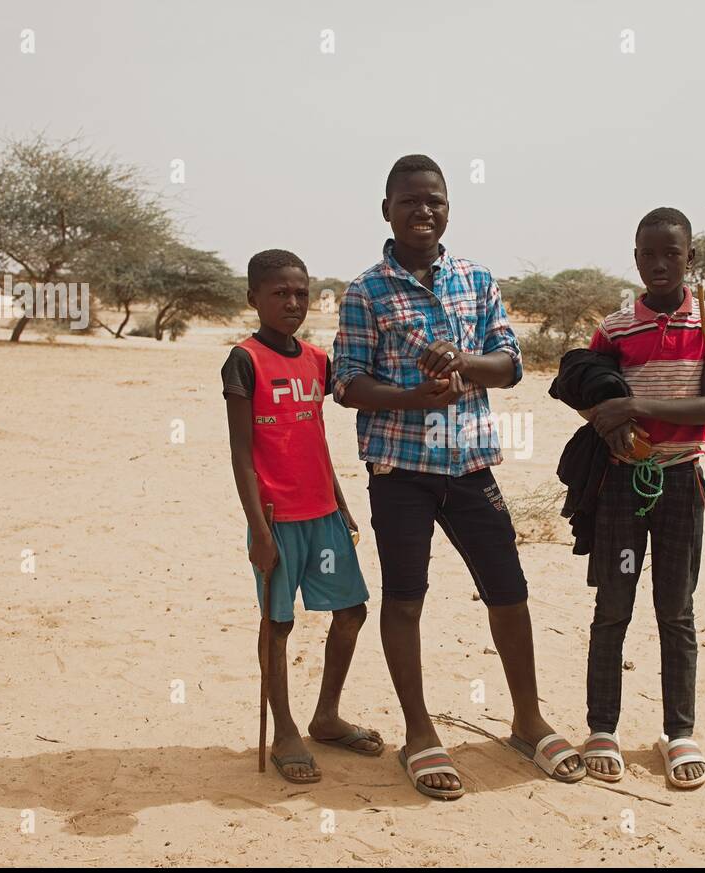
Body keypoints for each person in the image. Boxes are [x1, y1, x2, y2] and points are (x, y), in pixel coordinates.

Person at [333, 155, 584, 800]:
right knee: (405, 597)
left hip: (471, 465)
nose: (425, 211)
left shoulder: (476, 278)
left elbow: (511, 364)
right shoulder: (366, 290)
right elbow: (347, 384)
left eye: (436, 200)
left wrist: (462, 362)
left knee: (509, 590)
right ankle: (419, 732)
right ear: (385, 208)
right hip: (399, 470)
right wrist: (416, 397)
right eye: (411, 200)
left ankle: (527, 721)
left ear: (449, 207)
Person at [576, 207, 705, 789]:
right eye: (649, 253)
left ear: (689, 257)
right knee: (613, 607)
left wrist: (633, 407)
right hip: (623, 484)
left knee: (676, 610)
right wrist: (609, 419)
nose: (660, 263)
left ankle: (680, 732)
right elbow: (590, 392)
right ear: (636, 257)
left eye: (672, 253)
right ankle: (602, 727)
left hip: (681, 482)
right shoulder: (616, 327)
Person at [222, 249, 380, 784]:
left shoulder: (317, 359)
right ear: (254, 298)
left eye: (300, 294)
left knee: (352, 611)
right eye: (279, 294)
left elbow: (314, 436)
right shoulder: (243, 360)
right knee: (279, 622)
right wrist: (259, 532)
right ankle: (286, 729)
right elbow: (241, 452)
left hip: (324, 512)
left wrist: (341, 501)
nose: (292, 303)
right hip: (275, 516)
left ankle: (327, 716)